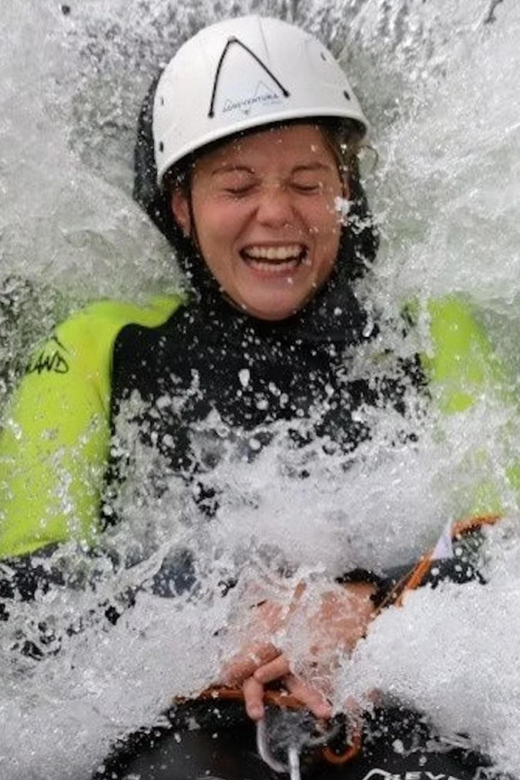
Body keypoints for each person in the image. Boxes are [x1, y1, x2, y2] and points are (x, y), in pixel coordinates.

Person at [0, 14, 514, 780]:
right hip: (189, 721)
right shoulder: (99, 348)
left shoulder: (430, 335)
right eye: (236, 186)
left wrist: (365, 604)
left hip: (395, 699)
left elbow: (504, 544)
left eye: (308, 183)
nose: (276, 214)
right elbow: (25, 594)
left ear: (346, 193)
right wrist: (217, 617)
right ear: (182, 206)